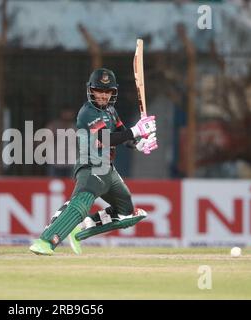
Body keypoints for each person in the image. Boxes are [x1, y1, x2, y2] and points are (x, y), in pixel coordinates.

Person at [29, 68, 158, 255]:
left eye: (108, 91)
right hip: (91, 166)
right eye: (99, 90)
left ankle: (79, 230)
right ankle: (46, 241)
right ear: (91, 90)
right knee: (81, 203)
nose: (103, 95)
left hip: (108, 170)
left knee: (127, 213)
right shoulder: (87, 113)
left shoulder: (112, 112)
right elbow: (104, 139)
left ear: (113, 92)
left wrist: (138, 143)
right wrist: (136, 130)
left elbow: (121, 135)